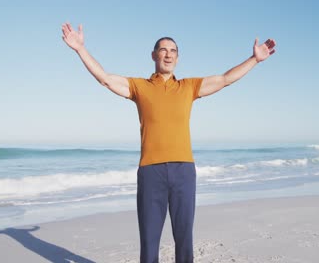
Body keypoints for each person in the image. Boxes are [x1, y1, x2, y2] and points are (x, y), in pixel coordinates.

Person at [61, 22, 276, 263]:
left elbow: (225, 79)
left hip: (184, 171)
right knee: (150, 241)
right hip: (151, 172)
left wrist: (254, 60)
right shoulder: (139, 87)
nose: (168, 54)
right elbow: (105, 79)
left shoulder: (188, 87)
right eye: (163, 50)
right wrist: (80, 49)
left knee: (184, 239)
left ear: (178, 58)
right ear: (154, 55)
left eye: (173, 51)